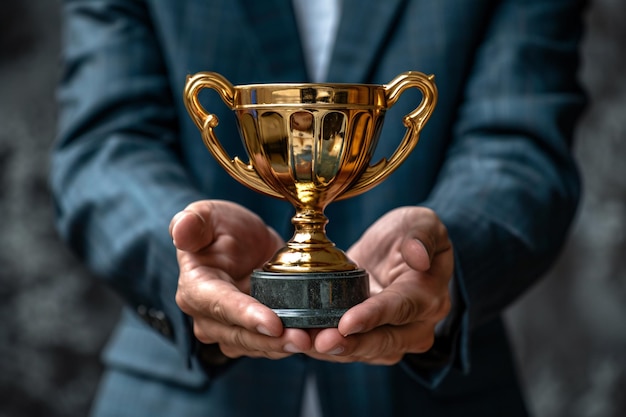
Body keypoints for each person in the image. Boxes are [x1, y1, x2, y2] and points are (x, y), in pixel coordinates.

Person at [50, 0, 587, 416]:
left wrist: (443, 255)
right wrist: (188, 250)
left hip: (439, 393)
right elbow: (105, 144)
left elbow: (520, 142)